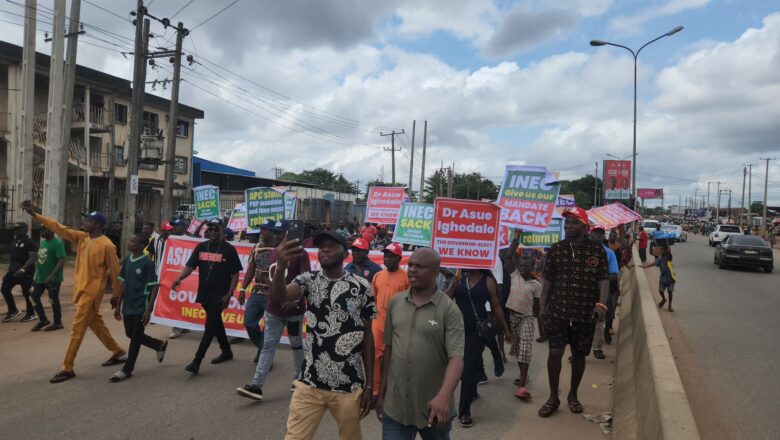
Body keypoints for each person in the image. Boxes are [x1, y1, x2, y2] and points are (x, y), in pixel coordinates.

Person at [272, 230, 376, 440]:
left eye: (332, 245)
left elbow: (368, 337)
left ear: (346, 254)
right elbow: (280, 295)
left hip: (349, 386)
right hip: (309, 383)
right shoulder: (308, 280)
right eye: (321, 246)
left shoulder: (363, 287)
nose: (325, 249)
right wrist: (282, 265)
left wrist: (370, 386)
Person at [20, 201, 127, 384]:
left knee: (77, 329)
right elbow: (58, 228)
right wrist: (35, 215)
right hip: (81, 290)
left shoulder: (107, 245)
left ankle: (67, 367)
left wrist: (116, 297)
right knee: (95, 324)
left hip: (92, 293)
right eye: (85, 221)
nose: (85, 223)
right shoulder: (82, 238)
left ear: (98, 225)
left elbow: (116, 273)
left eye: (89, 221)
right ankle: (117, 351)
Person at [376, 248, 464, 439]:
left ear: (435, 272)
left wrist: (444, 396)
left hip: (434, 408)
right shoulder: (396, 303)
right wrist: (381, 393)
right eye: (411, 265)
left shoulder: (449, 310)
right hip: (396, 408)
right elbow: (389, 350)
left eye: (420, 266)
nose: (412, 270)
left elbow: (456, 359)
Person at [538, 207, 609, 417]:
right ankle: (553, 397)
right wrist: (542, 306)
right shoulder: (556, 249)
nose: (568, 226)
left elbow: (603, 279)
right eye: (566, 223)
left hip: (585, 313)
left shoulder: (597, 250)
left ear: (585, 227)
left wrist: (602, 304)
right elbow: (547, 280)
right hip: (558, 311)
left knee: (579, 356)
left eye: (573, 222)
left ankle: (573, 395)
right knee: (555, 353)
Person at [236, 221, 311, 401]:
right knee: (268, 345)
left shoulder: (301, 254)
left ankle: (298, 378)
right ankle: (256, 385)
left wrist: (294, 300)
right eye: (275, 232)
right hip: (274, 310)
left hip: (293, 311)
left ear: (287, 234)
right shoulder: (273, 253)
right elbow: (270, 279)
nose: (277, 236)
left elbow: (306, 278)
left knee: (296, 344)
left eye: (280, 232)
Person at [172, 219, 242, 374]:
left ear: (222, 230)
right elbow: (190, 266)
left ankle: (197, 361)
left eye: (216, 229)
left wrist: (229, 293)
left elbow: (235, 273)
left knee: (209, 327)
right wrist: (179, 278)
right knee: (216, 322)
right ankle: (226, 350)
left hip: (220, 295)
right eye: (210, 229)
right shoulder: (201, 247)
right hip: (204, 293)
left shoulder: (229, 249)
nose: (212, 232)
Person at [446, 268, 510, 428]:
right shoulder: (459, 279)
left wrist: (505, 329)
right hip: (457, 329)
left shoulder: (488, 281)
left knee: (467, 368)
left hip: (477, 331)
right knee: (464, 369)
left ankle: (464, 411)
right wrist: (452, 286)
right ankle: (472, 391)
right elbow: (445, 301)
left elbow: (496, 306)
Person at [109, 234, 167, 382]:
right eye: (130, 240)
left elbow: (154, 287)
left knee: (135, 336)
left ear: (141, 246)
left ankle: (127, 369)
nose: (129, 243)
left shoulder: (147, 263)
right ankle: (158, 344)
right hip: (128, 304)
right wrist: (118, 304)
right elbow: (123, 283)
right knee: (130, 334)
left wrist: (149, 309)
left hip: (141, 305)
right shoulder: (127, 260)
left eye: (133, 241)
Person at [504, 230, 541, 400]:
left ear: (532, 267)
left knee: (525, 349)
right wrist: (516, 237)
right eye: (522, 264)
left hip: (527, 319)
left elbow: (538, 306)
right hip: (513, 318)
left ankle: (522, 387)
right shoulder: (514, 275)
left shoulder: (536, 285)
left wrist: (541, 322)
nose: (524, 266)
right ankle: (523, 374)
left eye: (527, 265)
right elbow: (510, 254)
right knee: (519, 351)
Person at [370, 242, 409, 401]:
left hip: (397, 325)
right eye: (386, 255)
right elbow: (373, 300)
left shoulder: (406, 279)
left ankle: (394, 391)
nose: (388, 259)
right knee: (376, 357)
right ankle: (376, 391)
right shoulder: (378, 276)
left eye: (392, 256)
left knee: (396, 359)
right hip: (378, 324)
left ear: (399, 258)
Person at [589, 226, 619, 360]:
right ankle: (578, 351)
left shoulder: (609, 253)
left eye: (600, 234)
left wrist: (600, 280)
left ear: (603, 237)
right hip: (585, 292)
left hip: (602, 292)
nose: (597, 236)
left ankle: (597, 347)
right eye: (595, 233)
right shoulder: (583, 252)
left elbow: (614, 274)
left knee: (599, 321)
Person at [30, 227, 66, 331]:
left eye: (44, 230)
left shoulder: (57, 243)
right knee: (33, 296)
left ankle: (58, 323)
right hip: (40, 277)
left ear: (51, 230)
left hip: (53, 279)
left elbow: (62, 259)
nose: (41, 232)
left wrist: (52, 275)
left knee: (53, 300)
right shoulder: (43, 242)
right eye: (40, 230)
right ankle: (43, 320)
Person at [2, 222, 38, 322]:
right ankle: (13, 310)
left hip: (26, 272)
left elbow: (32, 258)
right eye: (15, 229)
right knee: (5, 288)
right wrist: (10, 270)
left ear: (25, 230)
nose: (16, 231)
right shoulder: (14, 242)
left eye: (18, 229)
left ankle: (31, 313)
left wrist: (23, 269)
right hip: (13, 271)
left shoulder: (30, 242)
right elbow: (13, 258)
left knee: (27, 293)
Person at [644, 246, 676, 312]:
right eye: (660, 250)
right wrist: (646, 267)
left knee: (670, 291)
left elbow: (669, 252)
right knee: (660, 290)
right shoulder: (660, 258)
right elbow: (654, 263)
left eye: (662, 250)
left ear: (665, 251)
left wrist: (667, 241)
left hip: (670, 277)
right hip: (663, 277)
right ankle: (664, 299)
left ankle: (670, 305)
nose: (660, 251)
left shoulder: (669, 257)